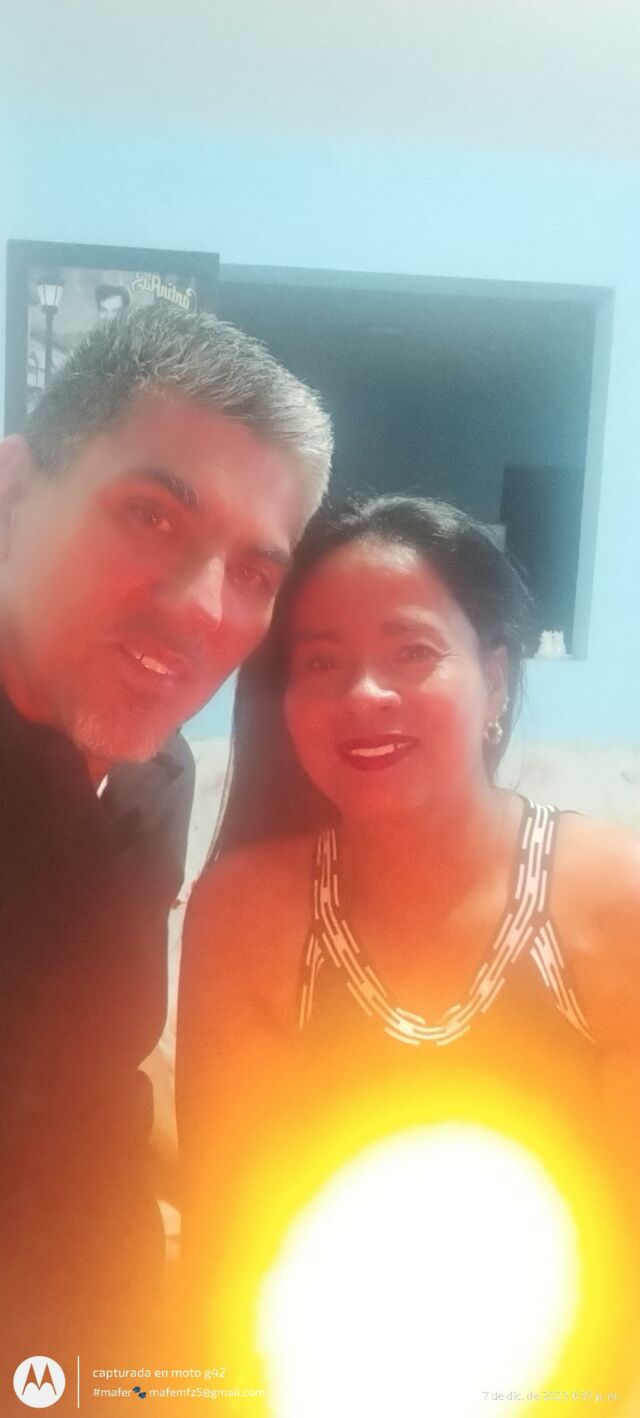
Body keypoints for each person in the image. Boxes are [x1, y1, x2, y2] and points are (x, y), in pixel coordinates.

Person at [177, 495, 640, 1415]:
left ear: (496, 681)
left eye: (412, 652)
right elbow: (230, 1237)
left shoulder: (609, 897)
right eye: (321, 663)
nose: (365, 695)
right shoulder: (246, 911)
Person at [0, 303, 332, 1402]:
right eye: (148, 515)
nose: (198, 608)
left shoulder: (157, 772)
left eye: (254, 572)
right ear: (13, 489)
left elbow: (92, 1063)